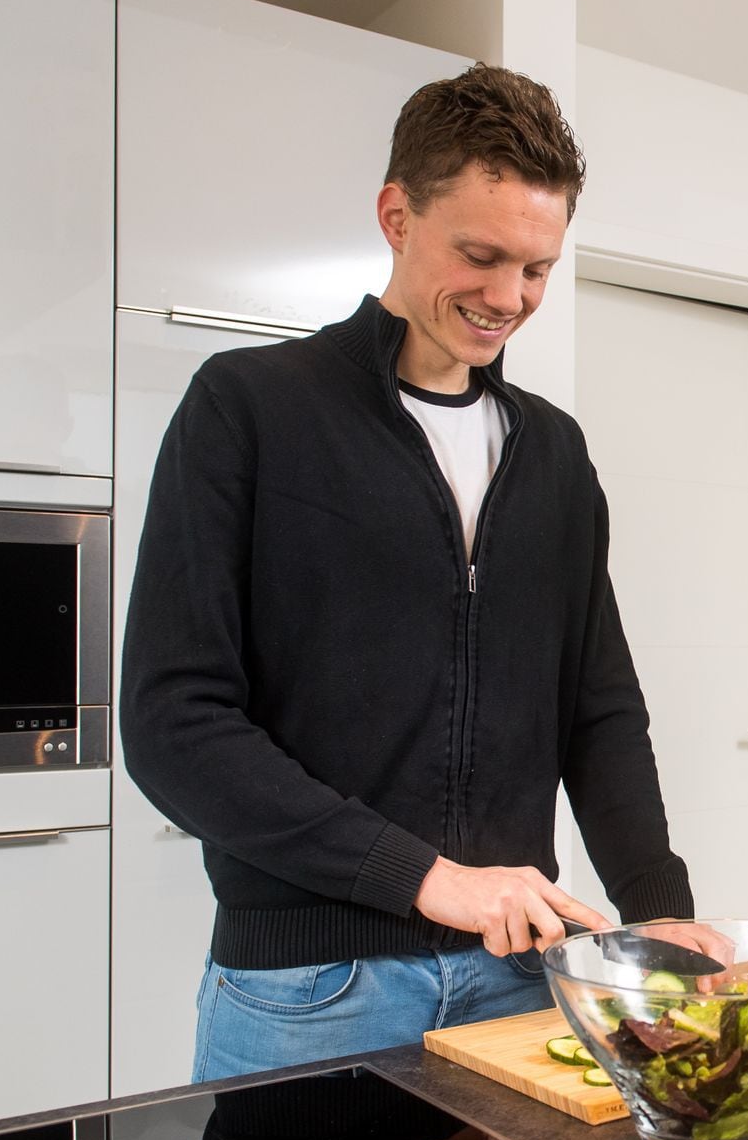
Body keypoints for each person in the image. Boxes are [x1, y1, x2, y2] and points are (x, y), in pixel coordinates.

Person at [121, 64, 699, 1083]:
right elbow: (174, 724)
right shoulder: (249, 408)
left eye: (536, 269)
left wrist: (659, 915)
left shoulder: (553, 454)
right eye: (479, 256)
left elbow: (598, 713)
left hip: (518, 981)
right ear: (397, 215)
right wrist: (430, 880)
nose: (507, 298)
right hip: (311, 991)